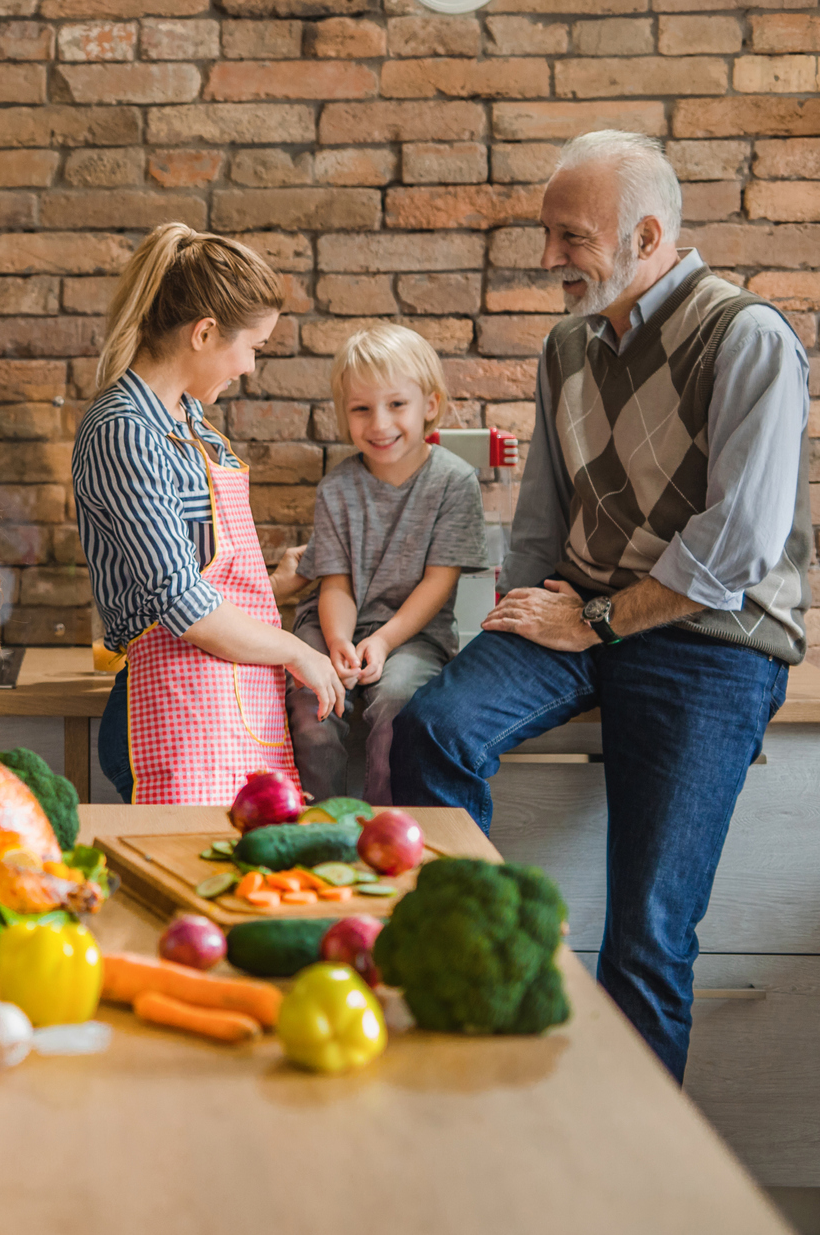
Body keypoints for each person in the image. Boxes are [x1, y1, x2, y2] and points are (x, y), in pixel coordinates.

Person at [392, 130, 810, 1079]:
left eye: (568, 237)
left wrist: (602, 620)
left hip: (710, 638)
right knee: (435, 729)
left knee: (648, 934)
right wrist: (512, 612)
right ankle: (477, 961)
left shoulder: (744, 338)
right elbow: (543, 512)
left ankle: (638, 1192)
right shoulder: (567, 345)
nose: (547, 260)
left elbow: (738, 546)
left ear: (647, 234)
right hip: (576, 617)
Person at [73, 223, 345, 805]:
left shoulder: (187, 422)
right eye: (253, 347)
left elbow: (196, 578)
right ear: (204, 333)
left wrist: (275, 585)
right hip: (174, 707)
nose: (250, 366)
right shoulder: (125, 430)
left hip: (223, 698)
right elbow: (181, 607)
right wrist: (299, 651)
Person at [285, 325, 487, 804]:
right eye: (361, 409)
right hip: (333, 621)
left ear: (430, 406)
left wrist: (382, 640)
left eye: (397, 405)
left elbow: (439, 583)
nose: (379, 423)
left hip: (414, 634)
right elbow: (335, 584)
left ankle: (385, 823)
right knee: (313, 695)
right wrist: (337, 644)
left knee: (398, 698)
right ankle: (322, 821)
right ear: (344, 416)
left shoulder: (456, 483)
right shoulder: (336, 488)